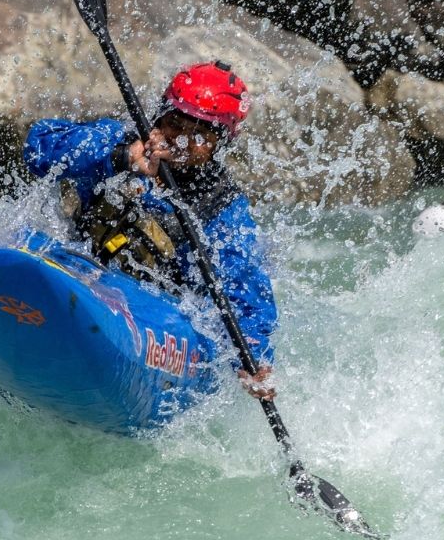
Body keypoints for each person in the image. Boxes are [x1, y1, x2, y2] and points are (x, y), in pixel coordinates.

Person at [23, 61, 278, 400]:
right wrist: (121, 157)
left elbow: (246, 293)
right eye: (174, 124)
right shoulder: (120, 140)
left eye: (200, 135)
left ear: (220, 143)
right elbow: (38, 146)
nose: (182, 140)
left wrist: (254, 356)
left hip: (153, 312)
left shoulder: (219, 206)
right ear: (159, 116)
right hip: (79, 273)